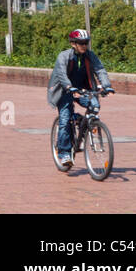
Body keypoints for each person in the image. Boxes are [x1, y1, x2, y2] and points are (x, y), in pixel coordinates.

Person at [47, 29, 114, 171]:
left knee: (94, 105)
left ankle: (83, 123)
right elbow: (61, 74)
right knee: (64, 120)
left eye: (86, 43)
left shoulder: (90, 56)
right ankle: (65, 154)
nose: (84, 46)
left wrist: (106, 86)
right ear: (73, 44)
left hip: (83, 89)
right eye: (81, 43)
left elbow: (100, 70)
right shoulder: (64, 56)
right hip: (65, 90)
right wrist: (69, 87)